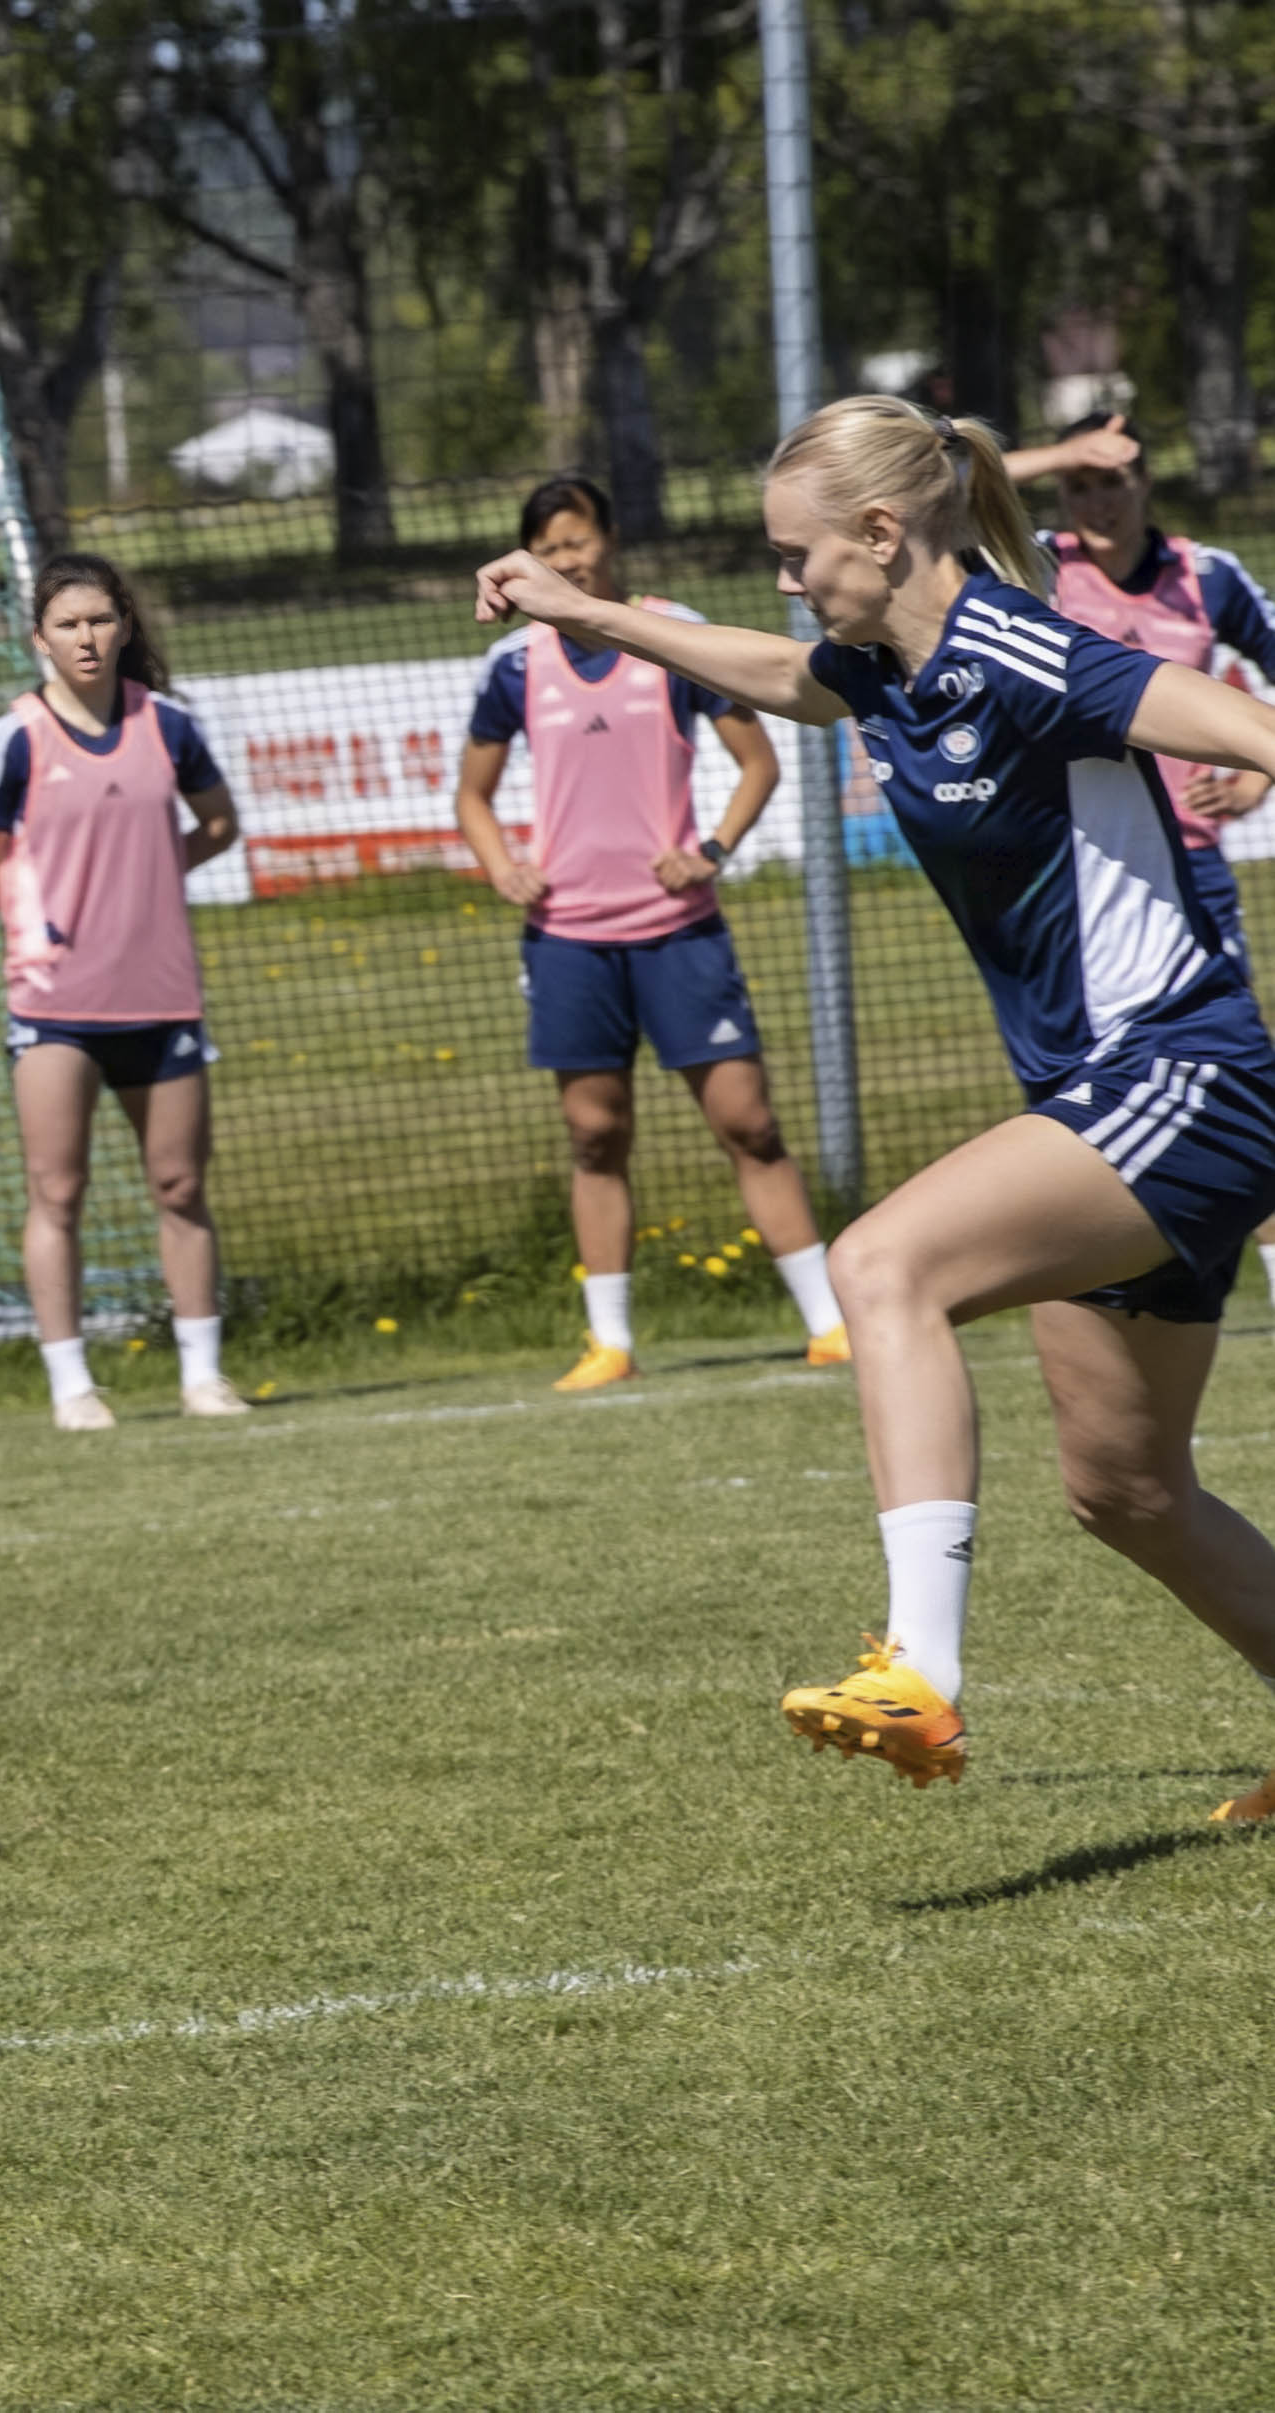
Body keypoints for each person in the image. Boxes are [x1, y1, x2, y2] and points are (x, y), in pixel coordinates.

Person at [474, 395, 1275, 1824]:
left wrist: (1246, 756)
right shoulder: (880, 666)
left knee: (883, 1264)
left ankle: (918, 1669)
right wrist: (582, 609)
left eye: (798, 553)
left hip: (1182, 1076)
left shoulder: (1019, 648)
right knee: (1125, 1489)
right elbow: (776, 671)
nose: (786, 578)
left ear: (883, 532)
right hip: (1098, 1097)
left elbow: (1240, 722)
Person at [453, 475, 843, 1391]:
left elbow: (757, 762)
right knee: (595, 1134)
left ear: (611, 540)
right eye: (549, 548)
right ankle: (611, 1343)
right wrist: (503, 865)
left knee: (747, 1122)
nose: (567, 560)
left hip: (678, 931)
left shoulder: (672, 636)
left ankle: (831, 1324)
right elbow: (472, 795)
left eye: (579, 540)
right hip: (568, 938)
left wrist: (712, 849)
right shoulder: (514, 666)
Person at [0, 551, 247, 1431]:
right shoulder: (14, 737)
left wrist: (148, 880)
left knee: (180, 1184)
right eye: (68, 624)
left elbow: (219, 824)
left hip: (162, 994)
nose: (86, 637)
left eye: (100, 620)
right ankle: (71, 1386)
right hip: (54, 1007)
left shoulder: (169, 725)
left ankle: (204, 1376)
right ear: (39, 639)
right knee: (58, 1191)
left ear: (124, 627)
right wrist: (40, 919)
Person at [1025, 414, 1275, 1315]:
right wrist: (1060, 452)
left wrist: (1253, 783)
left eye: (1112, 481)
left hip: (1188, 874)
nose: (1096, 501)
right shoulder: (1034, 567)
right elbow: (933, 499)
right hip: (1069, 875)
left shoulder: (1206, 576)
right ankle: (1120, 1282)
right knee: (1084, 1079)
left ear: (1145, 485)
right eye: (1078, 484)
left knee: (1237, 1078)